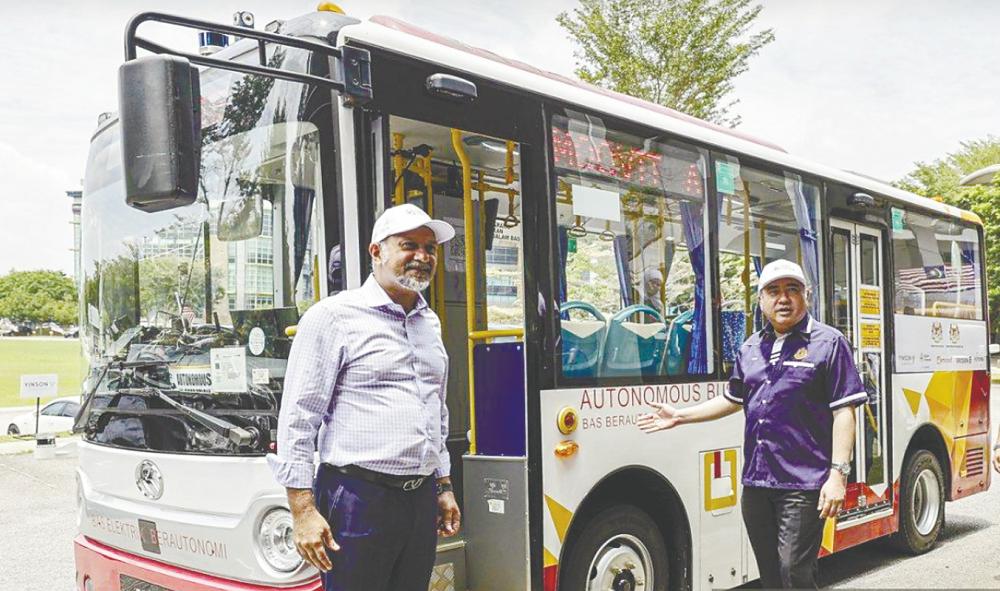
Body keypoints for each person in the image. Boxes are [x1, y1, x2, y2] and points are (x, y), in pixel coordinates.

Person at [639, 259, 866, 589]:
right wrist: (681, 415)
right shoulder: (750, 348)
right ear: (761, 300)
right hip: (757, 484)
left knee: (794, 571)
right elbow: (734, 398)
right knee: (772, 576)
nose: (783, 298)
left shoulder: (829, 343)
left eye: (792, 290)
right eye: (773, 291)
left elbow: (845, 411)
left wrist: (837, 475)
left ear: (807, 295)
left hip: (802, 485)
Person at [268, 203, 461, 591]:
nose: (422, 256)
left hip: (419, 496)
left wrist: (443, 485)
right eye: (409, 245)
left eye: (430, 248)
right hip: (357, 498)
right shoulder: (334, 317)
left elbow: (435, 410)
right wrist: (302, 509)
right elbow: (298, 416)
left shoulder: (430, 322)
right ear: (377, 252)